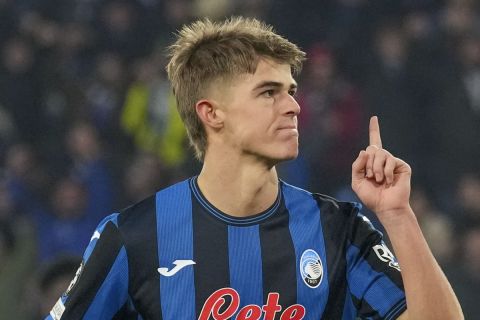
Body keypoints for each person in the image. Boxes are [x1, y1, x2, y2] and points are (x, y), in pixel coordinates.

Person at [45, 17, 463, 319]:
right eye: (269, 92)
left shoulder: (339, 229)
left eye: (292, 91)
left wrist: (397, 216)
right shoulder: (134, 237)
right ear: (212, 113)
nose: (294, 106)